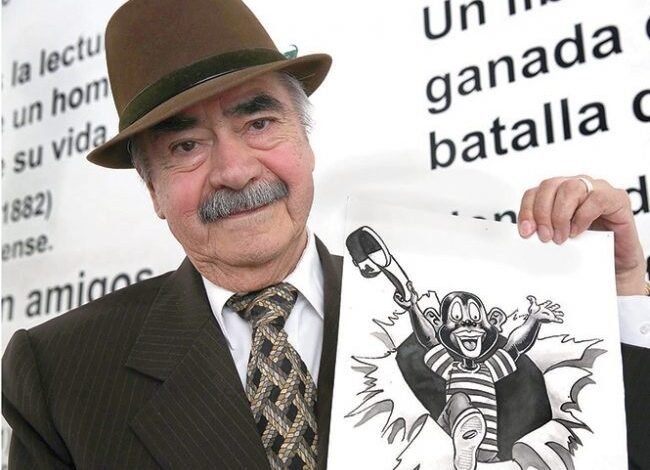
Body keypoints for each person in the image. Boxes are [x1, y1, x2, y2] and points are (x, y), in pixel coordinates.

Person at [2, 0, 648, 469]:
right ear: (153, 192)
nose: (234, 171)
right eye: (186, 146)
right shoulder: (57, 374)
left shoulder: (445, 310)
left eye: (259, 123)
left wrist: (618, 294)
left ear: (306, 144)